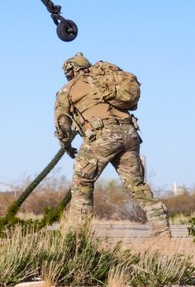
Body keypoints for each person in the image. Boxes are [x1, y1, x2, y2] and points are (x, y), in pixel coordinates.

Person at [53, 52, 170, 235]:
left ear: (72, 70)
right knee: (137, 185)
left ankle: (77, 235)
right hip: (129, 135)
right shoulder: (106, 80)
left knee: (82, 182)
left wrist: (66, 145)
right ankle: (162, 232)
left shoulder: (67, 89)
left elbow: (62, 123)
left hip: (102, 136)